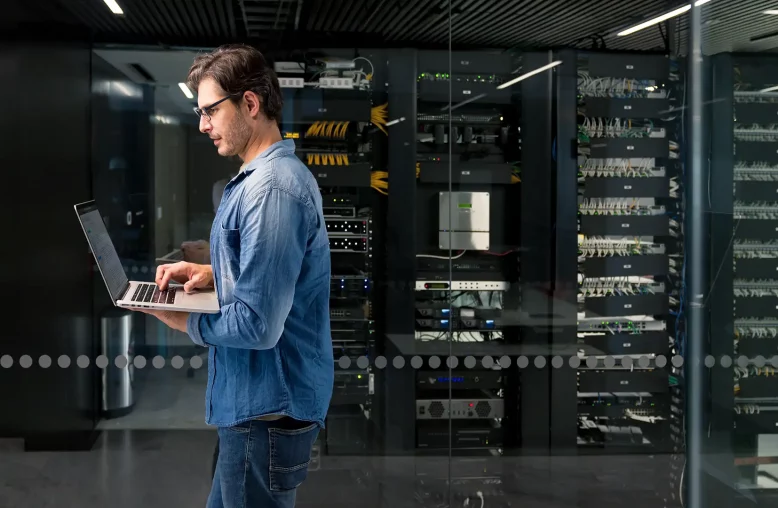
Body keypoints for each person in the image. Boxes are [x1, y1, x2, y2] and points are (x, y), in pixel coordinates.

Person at [139, 44, 333, 508]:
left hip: (265, 409)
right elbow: (270, 276)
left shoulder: (271, 191)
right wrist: (211, 272)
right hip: (256, 406)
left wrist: (180, 318)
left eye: (210, 111)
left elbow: (258, 326)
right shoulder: (262, 178)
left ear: (250, 103)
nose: (203, 125)